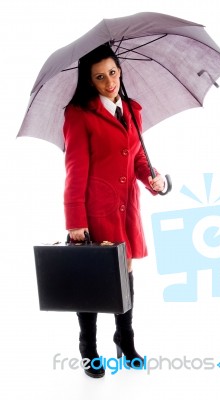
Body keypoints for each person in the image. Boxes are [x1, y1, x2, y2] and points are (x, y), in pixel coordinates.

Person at [63, 43, 165, 378]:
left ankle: (125, 338)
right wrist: (75, 221)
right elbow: (75, 169)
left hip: (127, 207)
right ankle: (88, 347)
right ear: (89, 81)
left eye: (113, 72)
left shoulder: (133, 110)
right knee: (91, 277)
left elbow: (135, 159)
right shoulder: (79, 114)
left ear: (120, 69)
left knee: (126, 273)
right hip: (96, 208)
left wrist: (154, 180)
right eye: (100, 77)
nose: (109, 81)